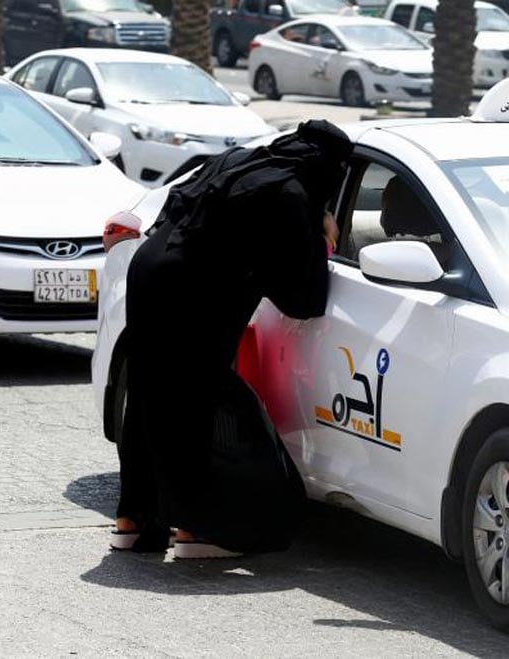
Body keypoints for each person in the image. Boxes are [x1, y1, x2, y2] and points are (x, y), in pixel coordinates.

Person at [111, 120, 353, 558]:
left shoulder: (243, 161)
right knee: (193, 405)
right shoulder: (292, 195)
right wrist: (325, 242)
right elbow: (303, 297)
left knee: (149, 395)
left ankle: (133, 521)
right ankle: (196, 529)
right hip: (194, 290)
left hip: (149, 271)